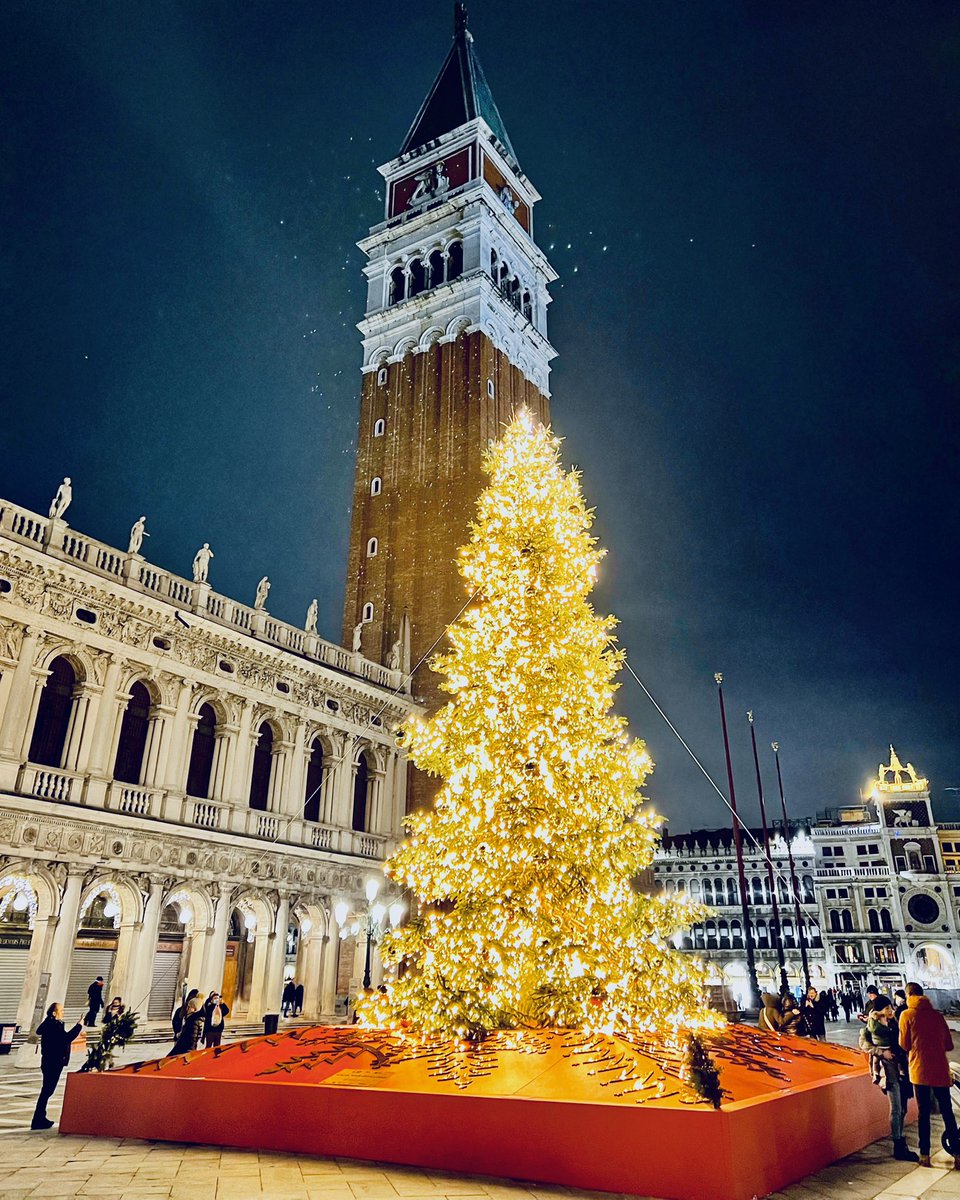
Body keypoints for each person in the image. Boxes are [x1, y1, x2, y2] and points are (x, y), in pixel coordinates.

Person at [898, 981, 960, 1168]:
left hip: (919, 1070)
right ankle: (958, 1154)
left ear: (909, 996)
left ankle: (924, 1155)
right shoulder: (937, 1016)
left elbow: (904, 1044)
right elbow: (949, 1045)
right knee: (947, 1112)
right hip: (940, 1070)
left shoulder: (906, 1015)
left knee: (923, 1113)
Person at [860, 995, 918, 1162]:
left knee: (904, 1106)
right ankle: (899, 1145)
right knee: (896, 1106)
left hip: (901, 1066)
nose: (890, 1010)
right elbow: (864, 1044)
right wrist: (881, 1051)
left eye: (890, 1007)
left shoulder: (894, 1022)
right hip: (888, 1068)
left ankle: (900, 1141)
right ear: (878, 1010)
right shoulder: (870, 1027)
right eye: (886, 1008)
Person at [32, 1002, 82, 1129]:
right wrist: (79, 1026)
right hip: (53, 1062)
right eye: (61, 1010)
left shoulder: (52, 1024)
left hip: (52, 1061)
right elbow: (66, 1038)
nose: (63, 1012)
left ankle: (40, 1117)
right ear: (54, 1013)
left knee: (47, 1090)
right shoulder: (52, 1025)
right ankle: (38, 1119)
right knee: (47, 1090)